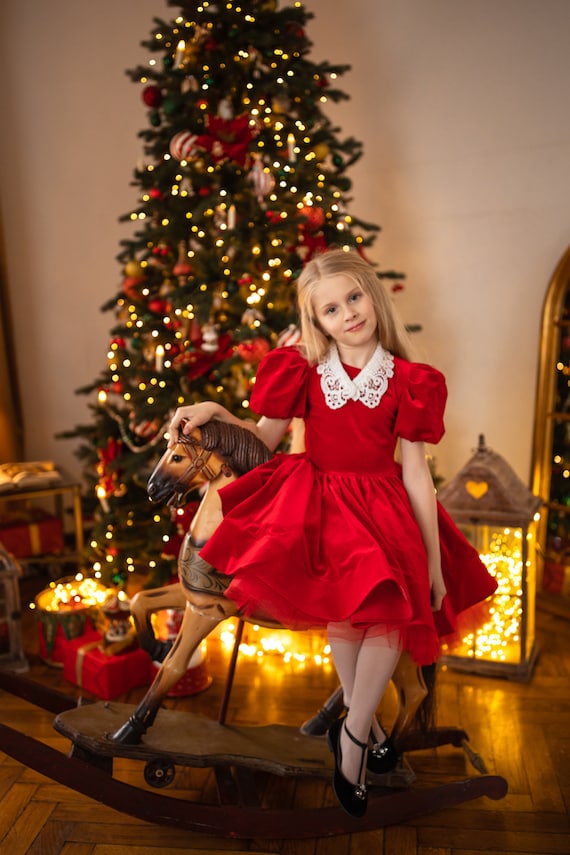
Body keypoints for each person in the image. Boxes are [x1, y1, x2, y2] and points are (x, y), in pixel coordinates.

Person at [167, 247, 497, 817]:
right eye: (330, 309)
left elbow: (416, 473)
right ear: (315, 321)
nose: (347, 313)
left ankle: (353, 734)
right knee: (345, 619)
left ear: (372, 295)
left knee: (388, 611)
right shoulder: (301, 372)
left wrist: (434, 562)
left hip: (383, 508)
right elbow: (262, 439)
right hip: (318, 506)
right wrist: (213, 406)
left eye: (353, 297)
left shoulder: (408, 380)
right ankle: (358, 736)